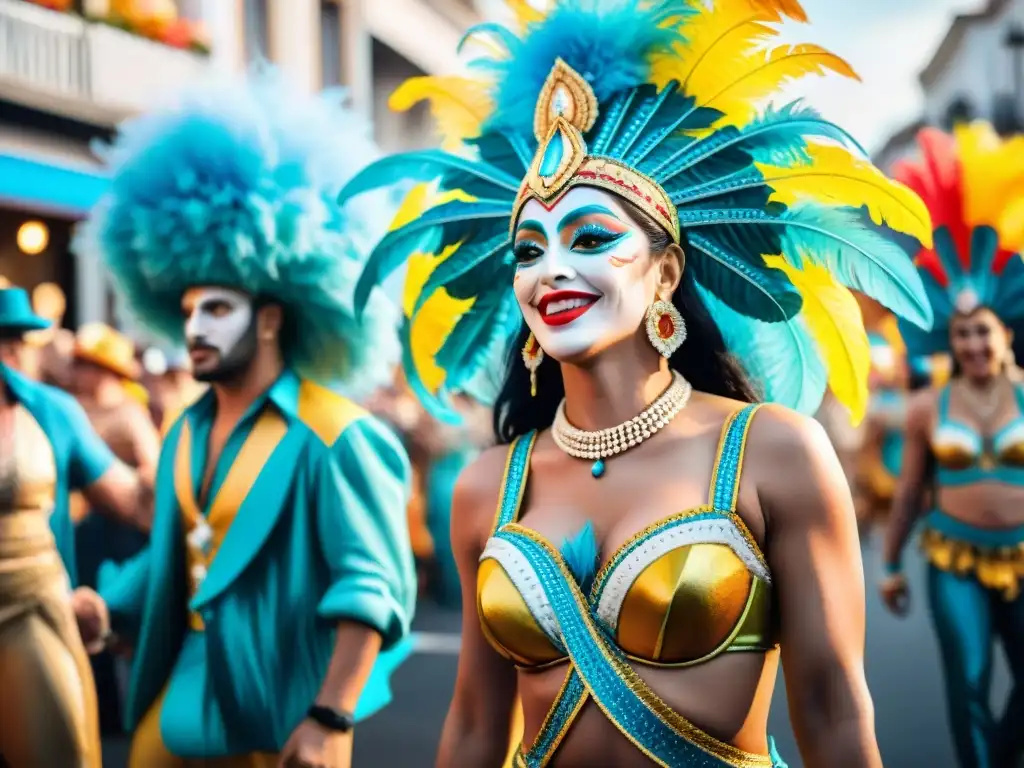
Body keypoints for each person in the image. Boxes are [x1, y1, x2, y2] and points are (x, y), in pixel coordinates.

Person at [339, 1, 935, 765]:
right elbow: (475, 725)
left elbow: (832, 707)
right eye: (528, 250)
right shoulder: (488, 486)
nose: (552, 268)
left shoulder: (773, 453)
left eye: (591, 238)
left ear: (666, 273)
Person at [70, 65, 417, 768]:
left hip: (284, 712)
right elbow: (180, 555)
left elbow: (371, 587)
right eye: (190, 307)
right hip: (177, 699)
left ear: (270, 318)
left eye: (217, 308)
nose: (193, 325)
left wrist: (329, 715)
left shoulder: (337, 435)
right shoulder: (185, 429)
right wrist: (108, 608)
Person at [881, 123, 1024, 768]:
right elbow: (911, 488)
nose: (971, 343)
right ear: (948, 337)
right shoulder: (925, 407)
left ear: (1007, 332)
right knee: (965, 687)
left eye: (982, 331)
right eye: (961, 333)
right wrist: (887, 565)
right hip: (953, 563)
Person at [0, 285, 152, 768]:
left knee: (58, 745)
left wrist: (199, 479)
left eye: (19, 340)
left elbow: (134, 501)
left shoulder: (51, 411)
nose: (17, 351)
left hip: (32, 605)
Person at [71, 322, 161, 735]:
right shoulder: (76, 409)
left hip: (123, 530)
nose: (79, 372)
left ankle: (139, 704)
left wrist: (111, 479)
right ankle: (104, 710)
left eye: (87, 364)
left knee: (124, 615)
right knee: (89, 617)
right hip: (87, 531)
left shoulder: (128, 413)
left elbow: (152, 470)